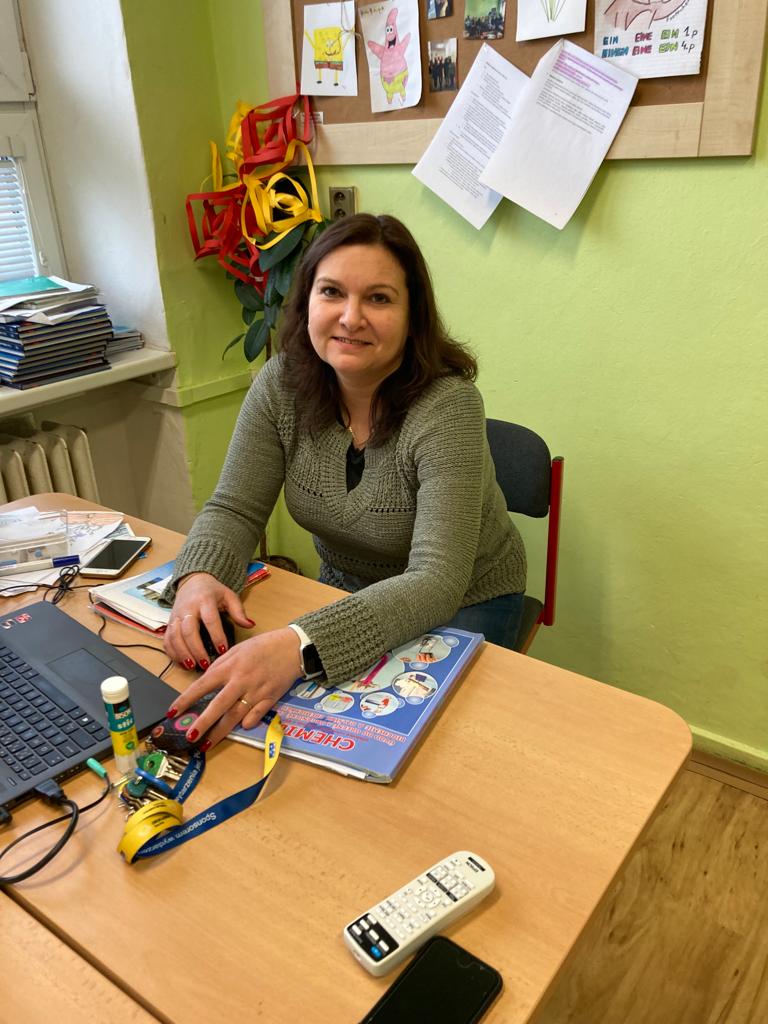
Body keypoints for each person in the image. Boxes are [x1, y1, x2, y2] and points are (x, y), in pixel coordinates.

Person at [162, 214, 526, 750]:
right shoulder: (281, 384)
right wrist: (198, 577)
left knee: (427, 752)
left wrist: (299, 646)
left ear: (413, 315)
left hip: (468, 598)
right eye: (332, 292)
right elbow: (235, 508)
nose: (351, 318)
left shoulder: (448, 406)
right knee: (280, 733)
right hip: (344, 586)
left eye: (378, 298)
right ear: (307, 301)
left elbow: (436, 580)